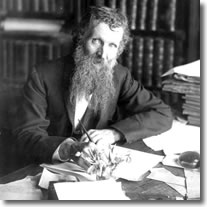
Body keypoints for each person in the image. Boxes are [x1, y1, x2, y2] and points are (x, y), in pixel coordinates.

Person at [12, 6, 173, 167]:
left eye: (112, 45)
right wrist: (71, 149)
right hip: (46, 167)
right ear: (81, 37)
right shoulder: (42, 75)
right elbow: (26, 134)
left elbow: (162, 114)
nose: (103, 54)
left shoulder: (120, 76)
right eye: (96, 41)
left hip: (94, 172)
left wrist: (114, 133)